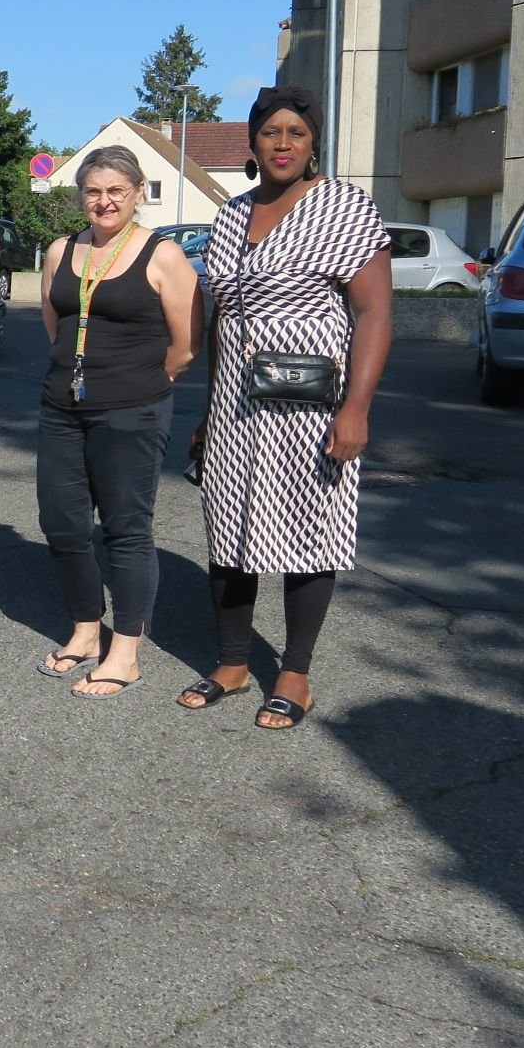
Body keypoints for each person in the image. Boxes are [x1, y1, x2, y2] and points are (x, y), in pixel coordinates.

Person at [177, 87, 392, 729]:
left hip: (310, 402)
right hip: (236, 404)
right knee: (229, 528)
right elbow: (221, 320)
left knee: (307, 531)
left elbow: (375, 311)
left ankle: (295, 674)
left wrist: (357, 407)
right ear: (252, 143)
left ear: (313, 142)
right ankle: (234, 663)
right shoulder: (230, 214)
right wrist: (208, 407)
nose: (282, 143)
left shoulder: (344, 207)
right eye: (270, 132)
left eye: (295, 132)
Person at [34, 145, 202, 697]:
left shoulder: (163, 255)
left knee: (126, 530)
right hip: (63, 407)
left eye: (115, 191)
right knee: (62, 523)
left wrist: (137, 385)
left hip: (132, 410)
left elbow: (184, 346)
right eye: (93, 191)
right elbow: (55, 322)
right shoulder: (62, 249)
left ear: (136, 194)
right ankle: (85, 631)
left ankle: (125, 650)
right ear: (80, 195)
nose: (103, 201)